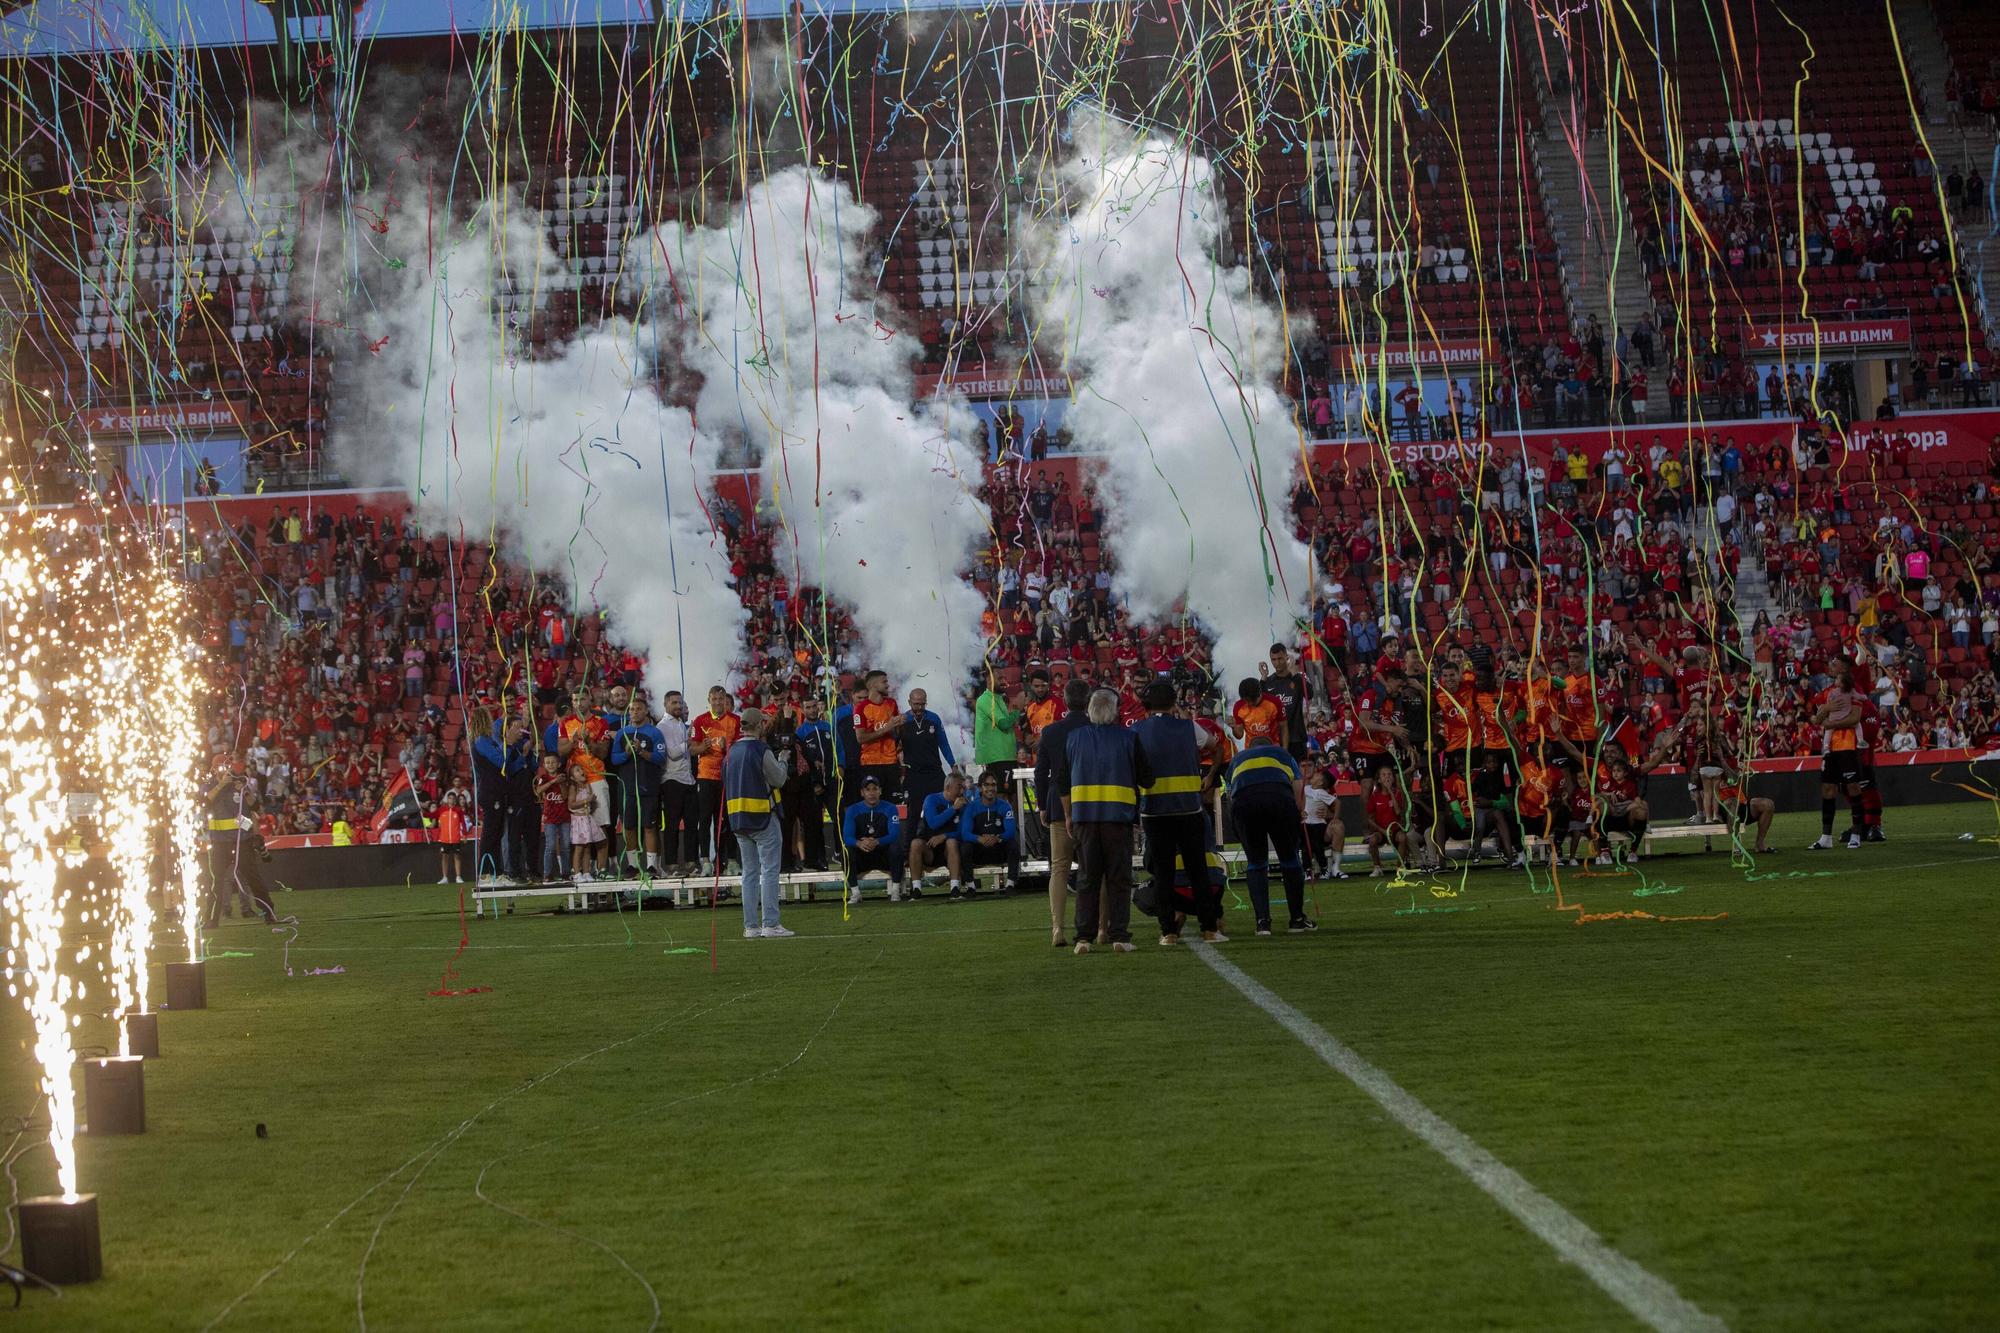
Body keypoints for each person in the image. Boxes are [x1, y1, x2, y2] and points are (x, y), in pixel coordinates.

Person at [1057, 688, 1152, 954]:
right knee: (1118, 879)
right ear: (1116, 710)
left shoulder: (1073, 739)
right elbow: (1147, 778)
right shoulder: (1128, 738)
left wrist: (1068, 815)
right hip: (1118, 820)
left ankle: (1083, 938)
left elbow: (1062, 782)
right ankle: (1119, 935)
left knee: (1087, 879)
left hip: (1084, 820)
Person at [1133, 679, 1224, 944]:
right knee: (1198, 870)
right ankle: (1209, 928)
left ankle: (1168, 932)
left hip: (1154, 811)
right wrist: (1209, 777)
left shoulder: (1136, 730)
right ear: (1174, 702)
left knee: (1163, 874)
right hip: (1188, 809)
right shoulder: (1188, 727)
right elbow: (1216, 746)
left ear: (1147, 705)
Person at [1227, 740, 1314, 936]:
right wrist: (1299, 811)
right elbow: (1298, 786)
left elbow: (1230, 797)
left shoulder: (1237, 759)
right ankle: (1297, 920)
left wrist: (1236, 827)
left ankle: (1262, 923)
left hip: (1244, 804)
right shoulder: (1282, 753)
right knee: (1289, 859)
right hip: (1279, 799)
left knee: (1256, 863)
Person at [1032, 678, 1092, 946]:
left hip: (1058, 803)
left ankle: (1057, 927)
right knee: (1094, 867)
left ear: (1065, 701)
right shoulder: (1095, 729)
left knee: (1059, 867)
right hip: (1092, 802)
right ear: (1088, 700)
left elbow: (1040, 772)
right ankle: (1102, 926)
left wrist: (1043, 805)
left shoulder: (1052, 731)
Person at [725, 709, 795, 939]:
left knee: (749, 874)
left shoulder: (731, 751)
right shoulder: (760, 749)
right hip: (762, 816)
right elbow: (778, 779)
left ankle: (751, 926)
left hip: (738, 818)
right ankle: (771, 923)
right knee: (769, 871)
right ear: (758, 725)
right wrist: (783, 761)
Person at [202, 763, 276, 926]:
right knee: (216, 882)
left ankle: (268, 912)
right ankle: (211, 919)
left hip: (241, 841)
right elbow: (204, 802)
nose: (226, 772)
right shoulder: (210, 786)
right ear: (214, 771)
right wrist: (221, 784)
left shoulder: (239, 786)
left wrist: (245, 790)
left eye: (227, 769)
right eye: (221, 770)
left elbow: (256, 807)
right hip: (220, 843)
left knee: (253, 878)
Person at [1807, 660, 1868, 850]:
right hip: (1831, 747)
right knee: (1827, 788)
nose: (1829, 667)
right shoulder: (1828, 691)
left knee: (1853, 787)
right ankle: (1826, 837)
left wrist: (1829, 722)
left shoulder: (1852, 689)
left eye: (1834, 664)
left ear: (1843, 669)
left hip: (1848, 744)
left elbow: (1855, 718)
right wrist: (1824, 711)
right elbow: (1818, 718)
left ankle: (1856, 834)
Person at [472, 712, 536, 884]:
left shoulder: (487, 741)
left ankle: (496, 873)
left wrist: (521, 758)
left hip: (497, 791)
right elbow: (500, 761)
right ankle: (485, 874)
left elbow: (506, 766)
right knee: (491, 832)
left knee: (497, 832)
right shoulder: (481, 741)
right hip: (490, 791)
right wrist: (507, 744)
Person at [610, 696, 667, 878]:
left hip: (648, 787)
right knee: (629, 827)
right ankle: (632, 866)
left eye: (638, 709)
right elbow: (614, 759)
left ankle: (651, 867)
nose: (634, 712)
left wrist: (642, 752)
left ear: (645, 711)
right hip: (627, 789)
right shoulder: (621, 733)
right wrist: (627, 753)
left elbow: (660, 758)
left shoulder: (654, 733)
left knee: (650, 827)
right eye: (632, 709)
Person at [691, 685, 742, 875]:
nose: (718, 702)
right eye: (715, 699)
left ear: (726, 701)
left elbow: (740, 748)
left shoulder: (735, 720)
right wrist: (701, 748)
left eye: (721, 699)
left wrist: (727, 745)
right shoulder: (700, 720)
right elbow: (691, 749)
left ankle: (731, 861)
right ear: (709, 700)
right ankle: (705, 860)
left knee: (728, 820)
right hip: (705, 777)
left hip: (728, 776)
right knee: (704, 820)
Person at [786, 695, 836, 871]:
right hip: (813, 786)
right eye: (808, 707)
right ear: (803, 709)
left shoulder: (828, 727)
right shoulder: (800, 732)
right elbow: (804, 761)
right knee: (815, 824)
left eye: (814, 706)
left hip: (831, 781)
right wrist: (813, 781)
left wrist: (840, 767)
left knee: (838, 819)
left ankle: (839, 854)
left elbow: (838, 750)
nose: (812, 710)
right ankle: (820, 859)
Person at [899, 687, 956, 836]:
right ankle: (908, 853)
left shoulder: (934, 718)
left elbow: (943, 743)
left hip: (934, 772)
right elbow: (892, 745)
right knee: (914, 812)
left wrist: (953, 764)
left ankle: (941, 846)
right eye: (916, 704)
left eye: (922, 704)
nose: (919, 708)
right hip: (914, 774)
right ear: (909, 702)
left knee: (941, 806)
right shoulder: (902, 720)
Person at [956, 770, 1021, 895]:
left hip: (998, 849)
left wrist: (997, 838)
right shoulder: (972, 807)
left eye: (993, 785)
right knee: (965, 847)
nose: (990, 788)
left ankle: (1011, 885)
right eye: (987, 785)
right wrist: (979, 839)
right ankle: (970, 886)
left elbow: (1011, 831)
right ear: (980, 788)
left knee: (1013, 844)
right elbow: (965, 833)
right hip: (979, 850)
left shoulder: (1005, 806)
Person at [841, 775, 904, 904]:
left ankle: (896, 890)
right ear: (862, 793)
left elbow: (895, 834)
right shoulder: (852, 810)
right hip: (863, 854)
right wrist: (859, 843)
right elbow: (847, 838)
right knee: (846, 851)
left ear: (880, 791)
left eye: (874, 789)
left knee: (896, 847)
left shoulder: (890, 808)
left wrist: (876, 841)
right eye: (868, 790)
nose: (872, 793)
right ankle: (855, 893)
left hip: (883, 854)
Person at [908, 770, 969, 896]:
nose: (962, 791)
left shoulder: (964, 804)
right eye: (959, 787)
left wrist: (945, 836)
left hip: (951, 852)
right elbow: (933, 823)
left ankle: (954, 888)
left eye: (963, 788)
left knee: (951, 842)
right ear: (948, 787)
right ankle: (916, 889)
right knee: (915, 844)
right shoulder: (932, 799)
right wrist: (953, 809)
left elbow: (964, 832)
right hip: (930, 848)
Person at [657, 690, 698, 876]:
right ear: (666, 705)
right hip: (672, 780)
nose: (678, 706)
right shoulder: (663, 726)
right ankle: (672, 865)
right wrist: (688, 743)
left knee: (691, 824)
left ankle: (691, 862)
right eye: (674, 703)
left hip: (688, 779)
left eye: (680, 703)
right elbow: (672, 753)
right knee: (672, 825)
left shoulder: (682, 724)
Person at [854, 670, 905, 801]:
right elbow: (860, 738)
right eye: (884, 682)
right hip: (870, 763)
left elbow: (896, 734)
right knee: (873, 803)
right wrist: (886, 728)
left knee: (895, 804)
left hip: (891, 762)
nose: (888, 685)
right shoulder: (861, 708)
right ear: (874, 685)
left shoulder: (892, 703)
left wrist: (900, 726)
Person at [1261, 642, 1312, 759]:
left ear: (1287, 658)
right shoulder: (1268, 682)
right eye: (1273, 659)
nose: (1277, 663)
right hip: (1276, 738)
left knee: (1299, 774)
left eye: (1280, 659)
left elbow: (1310, 694)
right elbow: (1261, 706)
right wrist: (1263, 679)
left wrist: (1294, 673)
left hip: (1297, 737)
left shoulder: (1298, 677)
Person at [1302, 761, 1349, 879]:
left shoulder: (1323, 792)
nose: (1314, 773)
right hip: (1305, 825)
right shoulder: (1303, 786)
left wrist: (1332, 816)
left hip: (1319, 826)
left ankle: (1333, 868)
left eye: (1310, 766)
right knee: (1306, 846)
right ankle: (1305, 870)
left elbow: (1337, 803)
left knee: (1336, 827)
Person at [973, 672, 1023, 773]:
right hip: (996, 759)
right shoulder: (986, 699)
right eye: (1000, 678)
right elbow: (1004, 724)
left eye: (1004, 678)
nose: (1004, 681)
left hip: (1005, 757)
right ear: (989, 680)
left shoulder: (999, 698)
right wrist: (1017, 710)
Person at [534, 752, 571, 882]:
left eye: (553, 762)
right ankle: (547, 874)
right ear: (544, 765)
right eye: (548, 762)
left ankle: (566, 872)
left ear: (559, 764)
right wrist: (554, 781)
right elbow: (538, 791)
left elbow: (566, 796)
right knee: (550, 846)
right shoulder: (543, 777)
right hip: (550, 818)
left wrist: (560, 783)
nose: (550, 765)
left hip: (564, 816)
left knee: (565, 845)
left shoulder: (564, 777)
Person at [566, 762, 604, 881]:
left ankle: (587, 872)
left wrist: (591, 801)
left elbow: (588, 802)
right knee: (579, 847)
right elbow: (571, 804)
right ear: (572, 777)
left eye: (581, 769)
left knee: (588, 847)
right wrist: (587, 800)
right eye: (577, 770)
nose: (581, 771)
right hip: (578, 820)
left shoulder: (587, 785)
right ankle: (577, 873)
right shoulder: (574, 787)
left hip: (587, 818)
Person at [436, 793, 466, 884]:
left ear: (455, 800)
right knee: (444, 857)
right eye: (449, 798)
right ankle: (445, 877)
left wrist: (464, 834)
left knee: (457, 856)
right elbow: (431, 815)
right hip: (444, 838)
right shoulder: (441, 810)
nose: (451, 800)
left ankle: (458, 877)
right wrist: (422, 812)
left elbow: (463, 823)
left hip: (455, 838)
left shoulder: (458, 810)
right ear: (447, 799)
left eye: (453, 798)